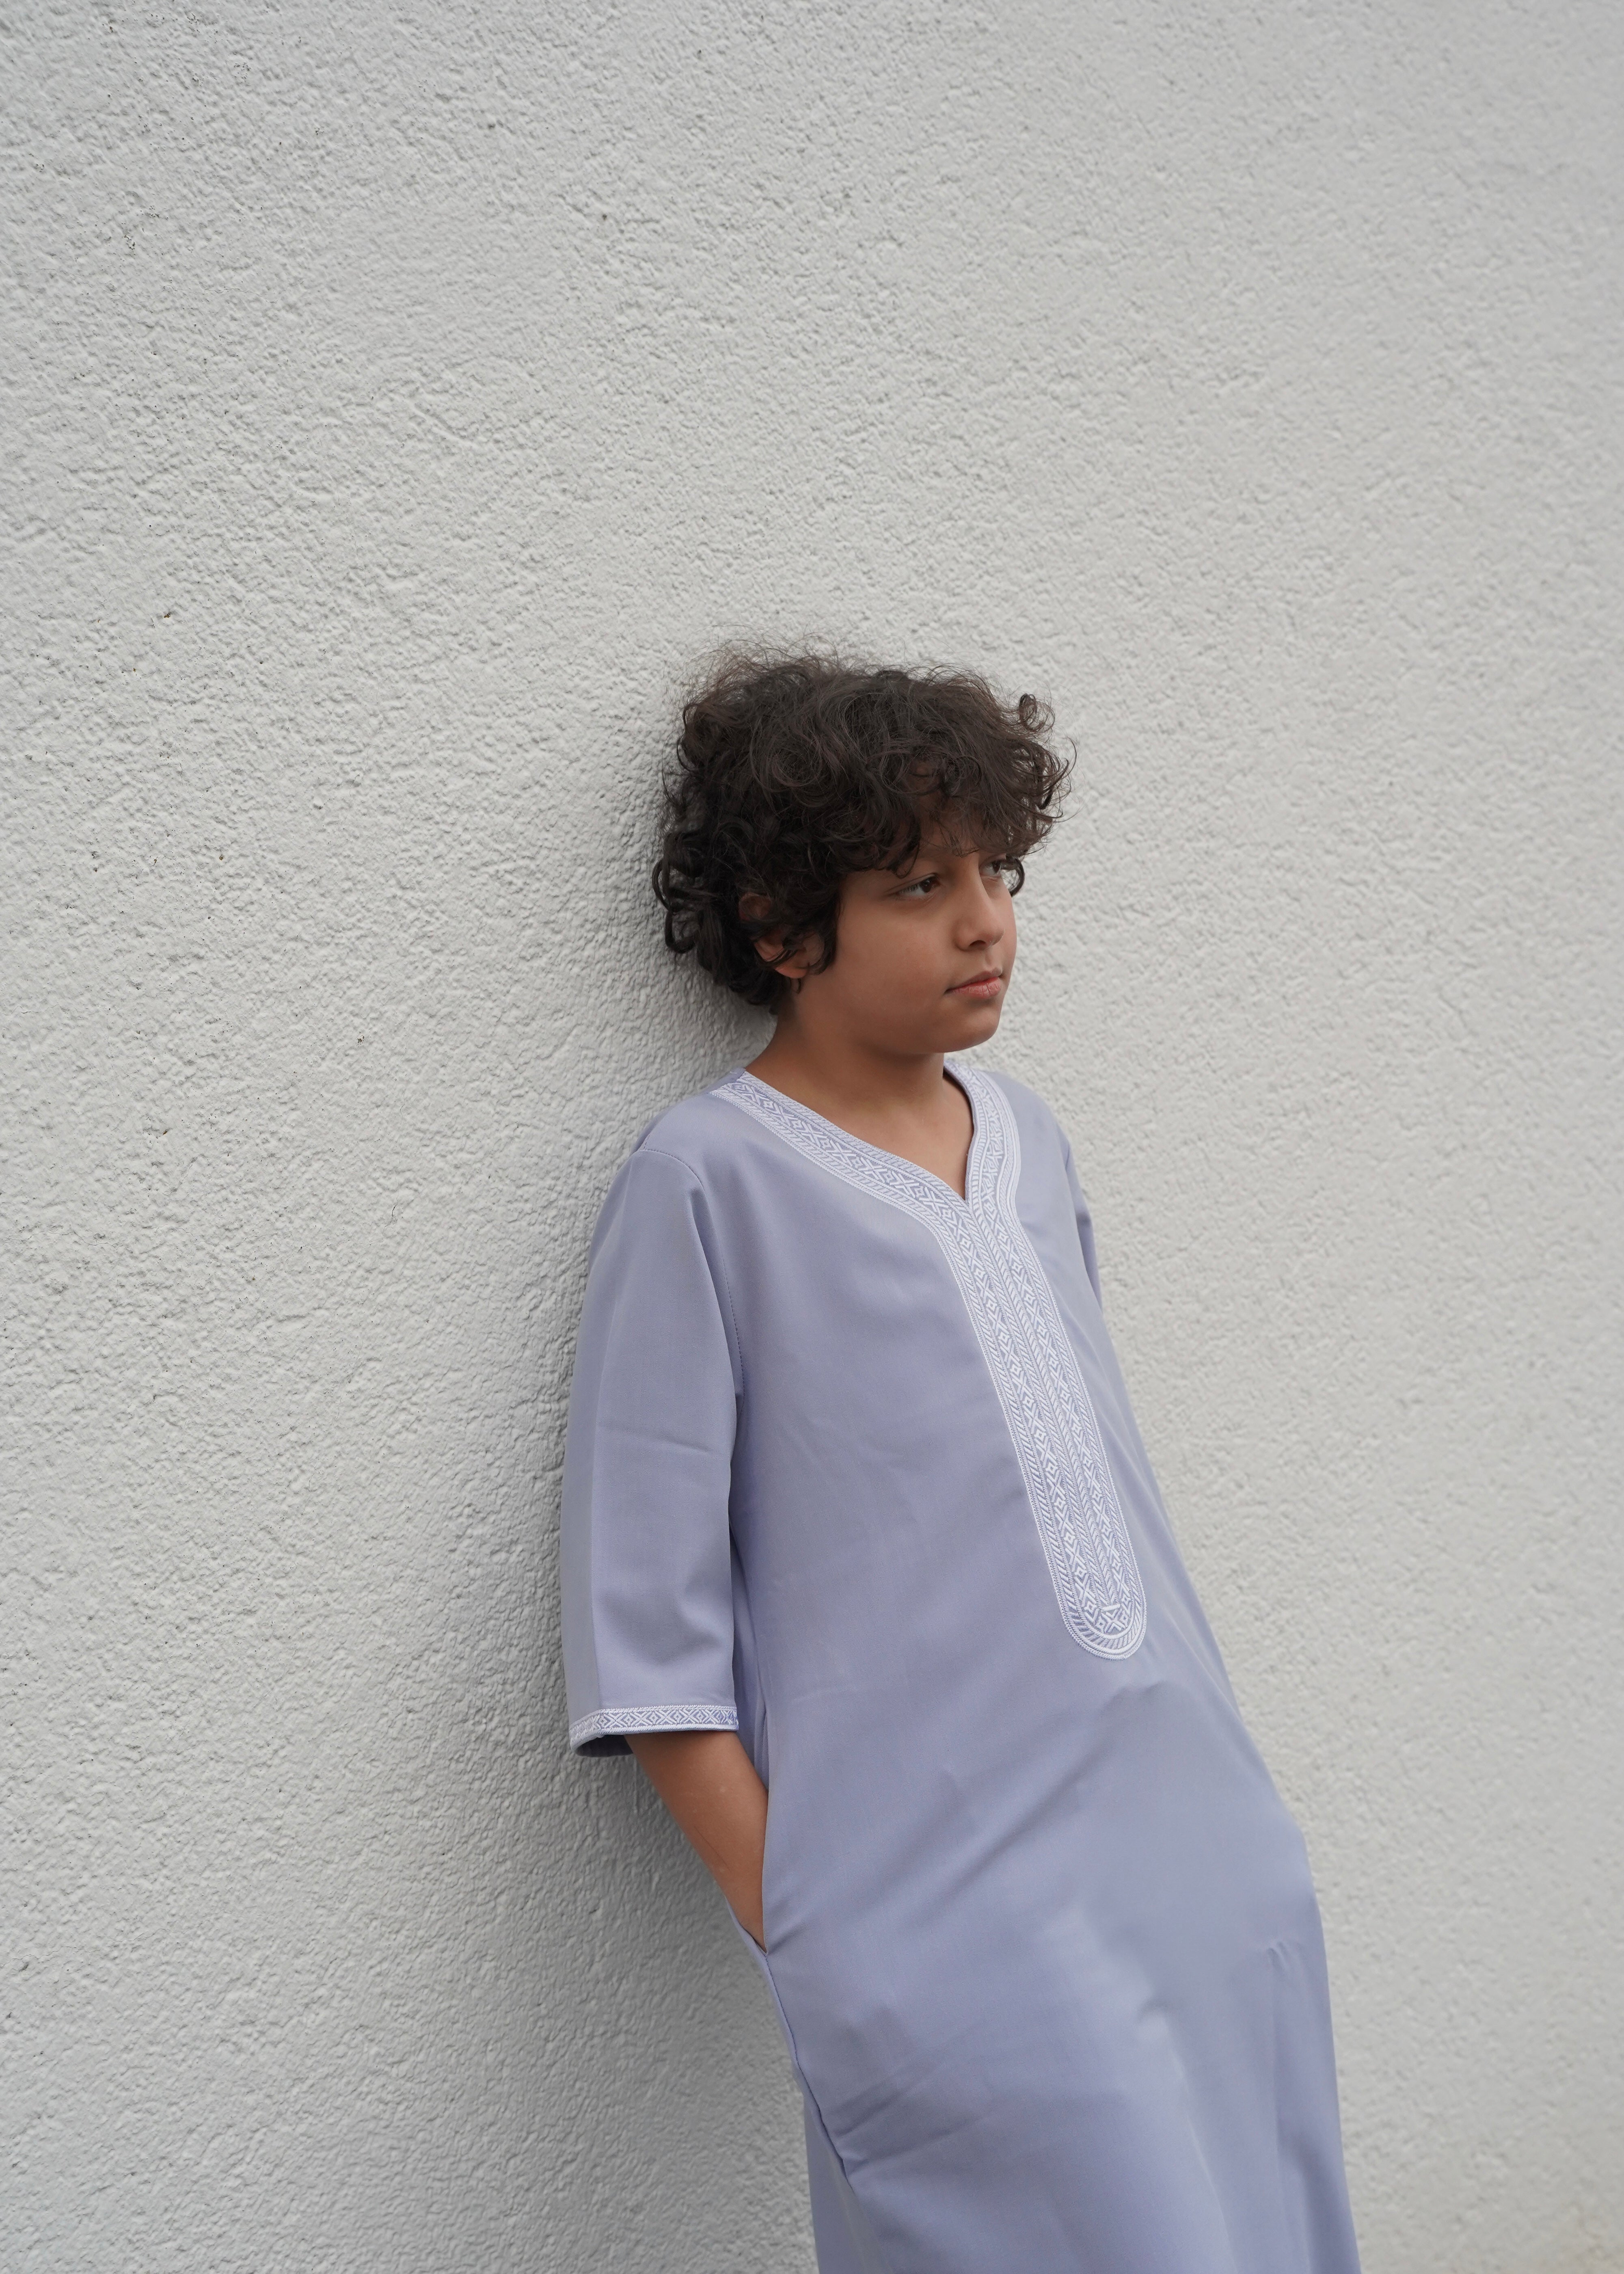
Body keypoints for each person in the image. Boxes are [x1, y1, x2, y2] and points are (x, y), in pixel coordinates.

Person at [560, 654, 1363, 2274]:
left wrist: (1252, 1840)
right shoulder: (708, 1184)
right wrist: (815, 1931)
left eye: (998, 870)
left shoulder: (1030, 1144)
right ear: (782, 924)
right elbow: (647, 1638)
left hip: (1199, 1867)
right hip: (950, 1929)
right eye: (920, 885)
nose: (986, 922)